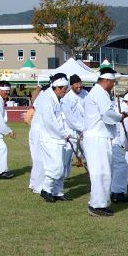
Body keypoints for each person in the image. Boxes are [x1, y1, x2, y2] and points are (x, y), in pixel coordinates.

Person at [82, 67, 128, 216]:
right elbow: (107, 114)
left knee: (103, 172)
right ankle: (96, 205)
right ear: (107, 81)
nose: (113, 85)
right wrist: (120, 117)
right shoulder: (100, 93)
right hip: (97, 138)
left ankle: (100, 203)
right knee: (99, 172)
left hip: (100, 137)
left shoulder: (97, 93)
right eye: (113, 82)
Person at [37, 74, 73, 203]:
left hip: (59, 139)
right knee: (56, 167)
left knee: (61, 168)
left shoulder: (57, 99)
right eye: (64, 89)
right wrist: (64, 134)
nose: (66, 92)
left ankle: (58, 192)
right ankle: (46, 189)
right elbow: (50, 122)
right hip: (51, 139)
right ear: (57, 88)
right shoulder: (48, 100)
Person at [60, 74, 87, 179]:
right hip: (71, 132)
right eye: (76, 84)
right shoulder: (67, 98)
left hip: (86, 131)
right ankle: (61, 178)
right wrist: (82, 129)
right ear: (71, 85)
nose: (79, 86)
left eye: (80, 83)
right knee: (67, 157)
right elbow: (70, 119)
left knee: (90, 153)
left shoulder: (85, 94)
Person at [28, 81, 52, 193]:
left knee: (37, 159)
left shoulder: (42, 95)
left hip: (36, 129)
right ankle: (38, 186)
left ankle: (34, 183)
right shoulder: (47, 96)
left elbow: (33, 101)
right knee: (40, 159)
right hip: (40, 131)